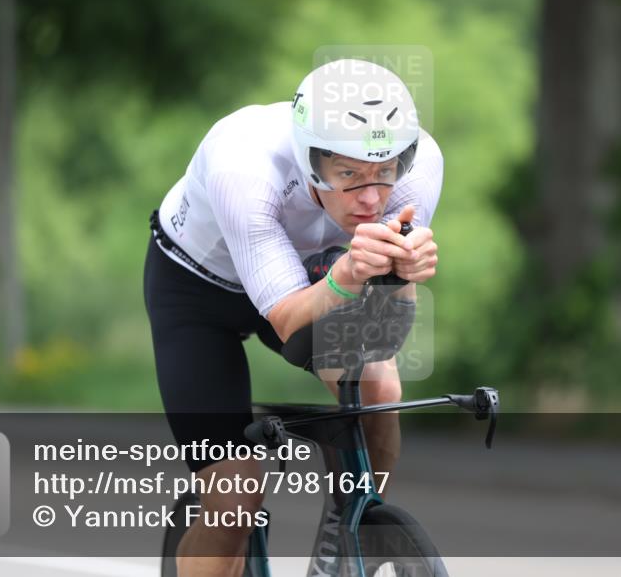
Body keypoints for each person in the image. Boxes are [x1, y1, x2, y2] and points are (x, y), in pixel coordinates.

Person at [143, 58, 442, 577]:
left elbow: (384, 332)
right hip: (197, 291)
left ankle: (344, 541)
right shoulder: (244, 162)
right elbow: (287, 320)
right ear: (309, 161)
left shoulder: (420, 167)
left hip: (309, 272)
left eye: (383, 172)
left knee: (380, 391)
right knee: (235, 497)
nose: (370, 198)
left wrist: (403, 276)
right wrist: (347, 274)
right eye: (348, 174)